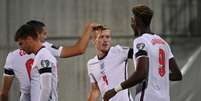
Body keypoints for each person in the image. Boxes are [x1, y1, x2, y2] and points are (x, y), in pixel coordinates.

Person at [0, 20, 95, 101]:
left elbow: (4, 93)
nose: (46, 37)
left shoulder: (12, 56)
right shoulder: (46, 49)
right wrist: (88, 29)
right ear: (35, 34)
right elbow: (79, 49)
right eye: (44, 34)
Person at [103, 5, 182, 101]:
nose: (131, 23)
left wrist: (115, 90)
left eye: (132, 20)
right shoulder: (163, 43)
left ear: (137, 21)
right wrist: (156, 75)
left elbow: (141, 73)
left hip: (148, 97)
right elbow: (177, 75)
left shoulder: (141, 41)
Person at [87, 25, 134, 101]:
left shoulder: (118, 51)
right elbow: (95, 91)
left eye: (107, 37)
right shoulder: (91, 64)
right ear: (94, 40)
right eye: (101, 37)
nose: (105, 40)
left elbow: (139, 54)